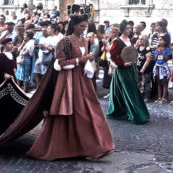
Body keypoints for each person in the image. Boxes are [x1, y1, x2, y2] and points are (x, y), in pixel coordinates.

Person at [27, 14, 114, 161]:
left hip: (82, 79)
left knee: (91, 111)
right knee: (71, 112)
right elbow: (60, 63)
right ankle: (64, 148)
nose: (84, 28)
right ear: (73, 26)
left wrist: (89, 58)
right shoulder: (65, 42)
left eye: (85, 26)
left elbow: (84, 57)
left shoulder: (85, 41)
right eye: (81, 26)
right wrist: (81, 59)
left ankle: (96, 147)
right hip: (67, 80)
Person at [107, 20, 149, 124]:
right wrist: (122, 64)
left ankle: (122, 111)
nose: (129, 30)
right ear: (122, 29)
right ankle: (137, 114)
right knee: (131, 91)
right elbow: (112, 56)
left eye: (130, 28)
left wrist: (135, 47)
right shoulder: (117, 41)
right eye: (127, 28)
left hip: (131, 68)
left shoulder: (129, 39)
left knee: (125, 91)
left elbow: (128, 53)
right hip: (123, 70)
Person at [153, 35, 171, 104]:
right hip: (158, 66)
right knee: (159, 82)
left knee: (164, 82)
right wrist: (157, 52)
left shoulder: (167, 49)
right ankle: (159, 97)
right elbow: (154, 59)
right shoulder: (157, 49)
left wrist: (162, 52)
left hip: (163, 67)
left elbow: (166, 59)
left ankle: (164, 97)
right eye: (159, 40)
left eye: (161, 40)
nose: (159, 41)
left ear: (165, 41)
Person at [136, 35, 152, 102]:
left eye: (141, 39)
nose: (140, 40)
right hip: (138, 67)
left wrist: (143, 68)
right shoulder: (138, 48)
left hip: (146, 69)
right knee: (138, 82)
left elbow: (148, 59)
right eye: (139, 39)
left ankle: (146, 97)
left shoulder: (147, 48)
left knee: (146, 82)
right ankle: (139, 96)